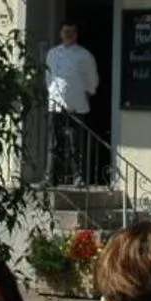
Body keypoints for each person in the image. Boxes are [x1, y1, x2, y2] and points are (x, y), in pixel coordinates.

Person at [47, 22, 101, 185]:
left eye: (71, 32)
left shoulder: (85, 55)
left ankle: (78, 177)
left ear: (76, 35)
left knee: (75, 144)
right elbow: (48, 76)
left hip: (77, 105)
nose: (68, 34)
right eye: (65, 31)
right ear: (60, 34)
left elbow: (92, 79)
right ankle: (50, 177)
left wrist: (89, 91)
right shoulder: (52, 53)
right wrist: (51, 92)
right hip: (56, 105)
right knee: (54, 143)